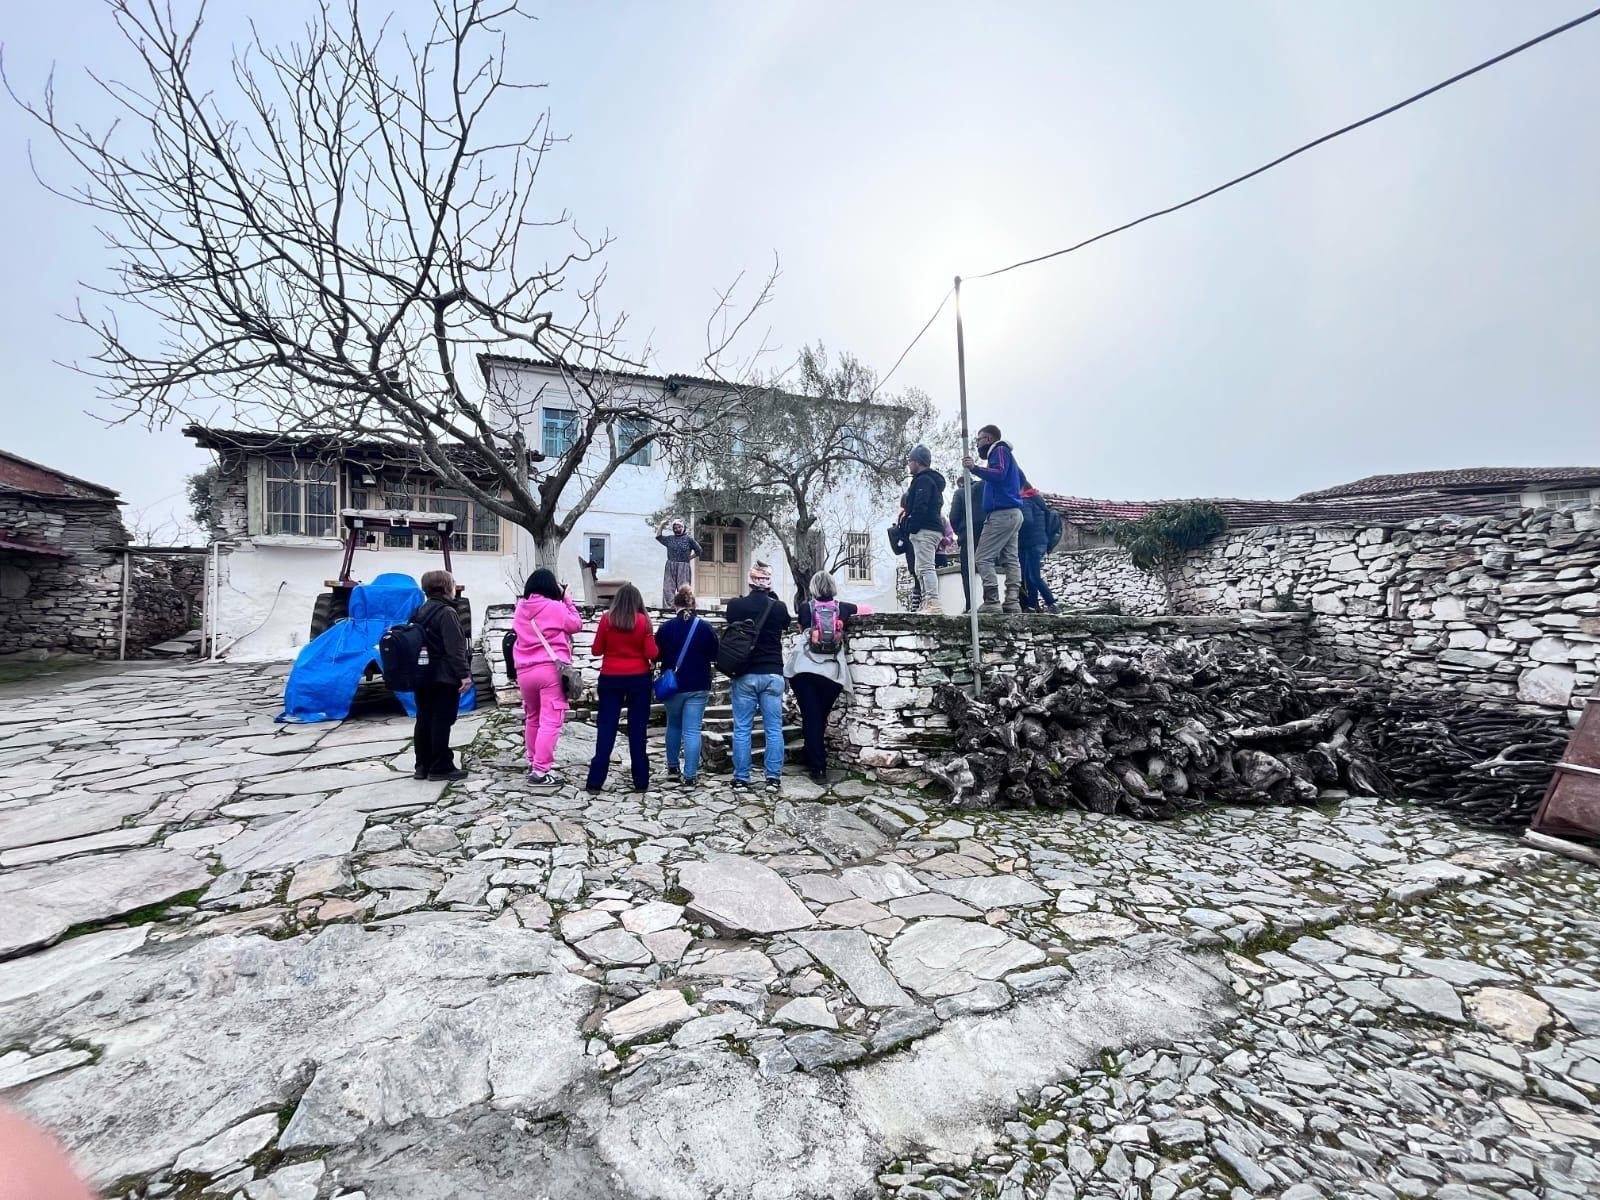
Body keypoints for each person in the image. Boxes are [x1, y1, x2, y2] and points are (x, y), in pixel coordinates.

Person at [724, 562, 793, 792]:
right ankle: (773, 778)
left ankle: (741, 778)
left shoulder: (736, 606)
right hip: (773, 672)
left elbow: (729, 621)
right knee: (773, 728)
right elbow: (785, 625)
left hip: (745, 674)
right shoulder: (779, 607)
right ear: (769, 583)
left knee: (742, 728)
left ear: (750, 582)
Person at [585, 583, 658, 793]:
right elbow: (652, 653)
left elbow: (597, 650)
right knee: (637, 729)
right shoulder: (644, 622)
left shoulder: (607, 619)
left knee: (606, 728)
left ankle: (595, 781)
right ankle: (641, 781)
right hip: (638, 678)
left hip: (610, 677)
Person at [512, 568, 584, 785]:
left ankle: (533, 761)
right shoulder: (555, 607)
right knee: (551, 721)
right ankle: (541, 771)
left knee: (532, 717)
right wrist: (566, 598)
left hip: (524, 671)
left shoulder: (520, 609)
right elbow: (576, 624)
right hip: (549, 670)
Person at [786, 570, 858, 783]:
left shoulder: (805, 608)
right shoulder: (844, 608)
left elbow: (803, 631)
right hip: (832, 674)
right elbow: (867, 610)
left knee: (811, 718)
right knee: (820, 717)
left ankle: (818, 767)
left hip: (804, 671)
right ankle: (812, 758)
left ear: (813, 589)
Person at [654, 584, 720, 786]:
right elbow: (715, 654)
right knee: (692, 730)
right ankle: (690, 776)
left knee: (673, 725)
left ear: (676, 605)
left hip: (673, 686)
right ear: (693, 604)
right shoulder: (705, 627)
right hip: (698, 684)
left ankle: (673, 768)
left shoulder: (665, 628)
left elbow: (656, 655)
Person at [410, 570, 472, 782]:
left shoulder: (419, 610)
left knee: (424, 719)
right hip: (443, 677)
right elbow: (455, 649)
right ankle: (440, 766)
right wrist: (464, 675)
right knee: (441, 721)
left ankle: (422, 765)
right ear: (446, 587)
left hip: (422, 674)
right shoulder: (447, 613)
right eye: (453, 584)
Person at [964, 424, 1026, 613]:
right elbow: (1021, 479)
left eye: (979, 440)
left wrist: (974, 468)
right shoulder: (1009, 457)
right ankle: (1012, 601)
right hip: (1014, 512)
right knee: (1010, 558)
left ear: (988, 439)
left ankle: (991, 600)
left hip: (1001, 513)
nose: (977, 444)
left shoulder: (999, 451)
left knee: (983, 557)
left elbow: (998, 473)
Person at [902, 446, 946, 615]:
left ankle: (933, 602)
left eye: (910, 461)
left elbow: (921, 505)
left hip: (925, 529)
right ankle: (927, 602)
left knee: (926, 567)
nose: (909, 465)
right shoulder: (930, 481)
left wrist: (912, 525)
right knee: (920, 568)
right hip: (929, 529)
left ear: (918, 462)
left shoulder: (923, 481)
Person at [1019, 488, 1061, 615]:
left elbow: (1027, 521)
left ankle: (1051, 603)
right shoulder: (1038, 501)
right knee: (1030, 576)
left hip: (1031, 543)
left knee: (1034, 576)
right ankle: (1031, 606)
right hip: (1040, 542)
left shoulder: (1026, 501)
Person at [948, 476, 986, 614]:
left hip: (968, 535)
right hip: (986, 533)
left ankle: (970, 604)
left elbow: (953, 517)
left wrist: (960, 531)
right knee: (986, 566)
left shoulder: (960, 493)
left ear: (960, 484)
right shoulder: (984, 489)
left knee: (968, 572)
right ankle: (990, 600)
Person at [655, 520, 704, 609]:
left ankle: (685, 608)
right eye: (675, 528)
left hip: (683, 567)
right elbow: (658, 536)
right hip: (670, 565)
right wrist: (662, 524)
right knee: (668, 588)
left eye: (679, 527)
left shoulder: (689, 539)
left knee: (684, 589)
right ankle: (668, 610)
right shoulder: (670, 539)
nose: (677, 529)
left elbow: (699, 551)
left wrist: (690, 558)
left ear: (683, 527)